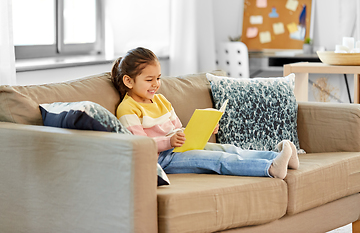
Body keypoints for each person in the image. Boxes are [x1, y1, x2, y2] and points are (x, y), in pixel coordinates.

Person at [111, 47, 299, 179]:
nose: (156, 84)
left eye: (158, 78)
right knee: (219, 160)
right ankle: (271, 168)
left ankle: (278, 156)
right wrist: (168, 141)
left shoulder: (161, 100)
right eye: (149, 79)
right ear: (128, 81)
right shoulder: (127, 109)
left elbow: (179, 130)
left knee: (229, 149)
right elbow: (140, 145)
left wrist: (202, 130)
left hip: (179, 149)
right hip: (162, 160)